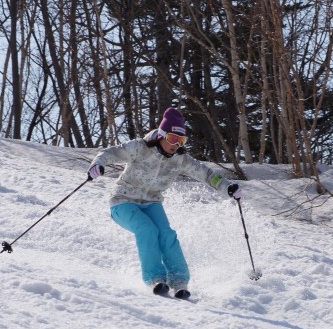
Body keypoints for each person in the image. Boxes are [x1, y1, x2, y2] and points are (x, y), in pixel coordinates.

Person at [87, 107, 242, 300]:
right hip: (122, 201)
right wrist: (97, 164)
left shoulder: (180, 159)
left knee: (167, 234)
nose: (175, 145)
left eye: (181, 141)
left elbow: (206, 174)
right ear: (161, 135)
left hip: (151, 202)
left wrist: (227, 187)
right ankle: (155, 279)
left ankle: (179, 282)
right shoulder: (140, 148)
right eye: (172, 139)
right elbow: (110, 153)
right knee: (147, 230)